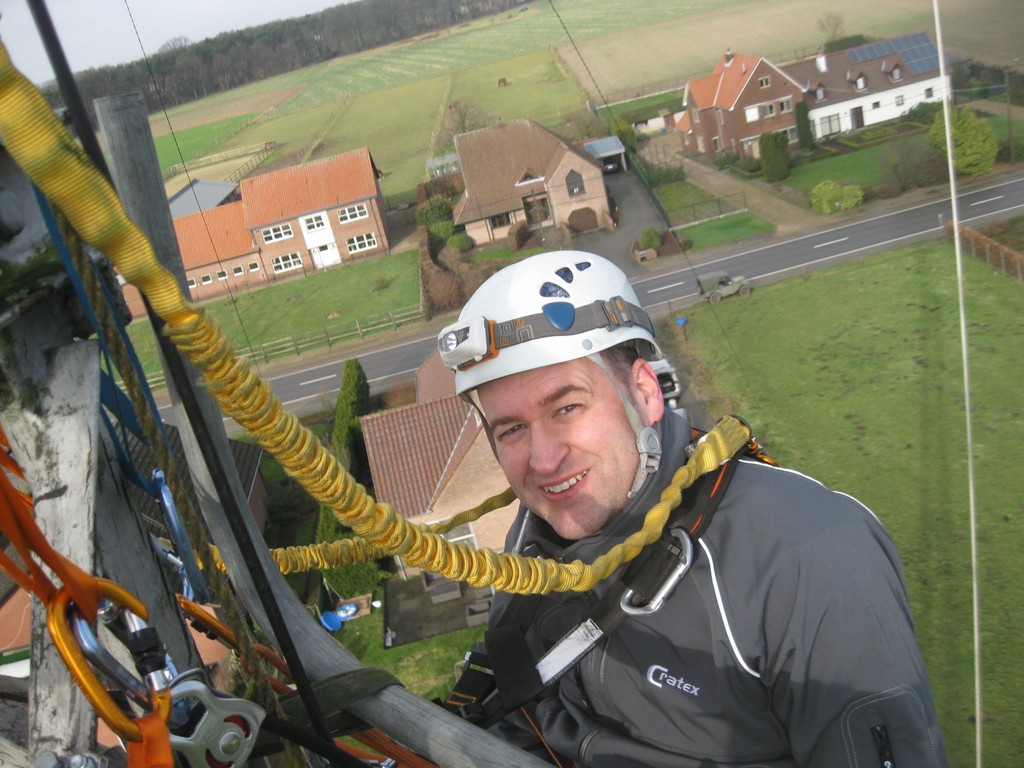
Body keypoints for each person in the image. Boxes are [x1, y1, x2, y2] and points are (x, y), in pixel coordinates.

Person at [437, 250, 947, 767]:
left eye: (566, 407)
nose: (543, 460)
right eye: (512, 430)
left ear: (644, 392)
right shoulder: (538, 531)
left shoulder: (810, 559)